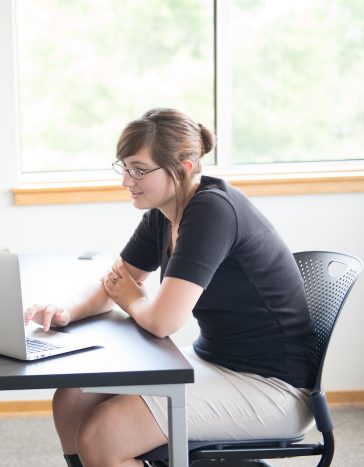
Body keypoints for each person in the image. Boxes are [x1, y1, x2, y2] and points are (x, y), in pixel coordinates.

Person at [25, 108, 318, 467]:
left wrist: (132, 300)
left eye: (139, 169)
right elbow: (114, 282)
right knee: (72, 398)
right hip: (216, 360)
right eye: (124, 167)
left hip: (272, 387)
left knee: (102, 434)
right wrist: (66, 310)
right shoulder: (163, 213)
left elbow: (162, 321)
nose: (127, 181)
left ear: (184, 168)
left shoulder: (212, 212)